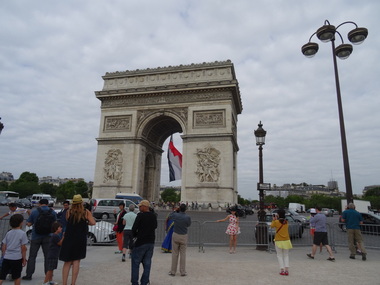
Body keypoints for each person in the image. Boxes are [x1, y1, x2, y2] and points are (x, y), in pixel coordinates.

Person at [59, 194, 96, 285]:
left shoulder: (69, 212)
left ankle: (64, 283)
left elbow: (69, 222)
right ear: (81, 202)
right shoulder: (86, 212)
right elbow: (93, 222)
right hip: (80, 238)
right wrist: (85, 223)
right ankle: (73, 283)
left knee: (67, 262)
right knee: (76, 261)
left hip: (69, 237)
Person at [23, 199, 57, 281]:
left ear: (39, 203)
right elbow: (55, 223)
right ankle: (48, 275)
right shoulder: (52, 212)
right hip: (48, 236)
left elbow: (29, 223)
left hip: (36, 236)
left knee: (32, 256)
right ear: (47, 204)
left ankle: (29, 274)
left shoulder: (34, 212)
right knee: (47, 257)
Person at [131, 200, 157, 285]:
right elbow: (155, 226)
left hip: (141, 242)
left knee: (135, 263)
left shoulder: (140, 216)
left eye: (140, 206)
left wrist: (136, 235)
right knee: (147, 264)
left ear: (145, 207)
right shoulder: (153, 216)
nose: (139, 207)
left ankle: (135, 282)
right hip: (150, 242)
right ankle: (144, 282)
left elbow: (134, 228)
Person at [0, 214, 28, 285]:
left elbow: (4, 245)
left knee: (2, 276)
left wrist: (4, 255)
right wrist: (24, 259)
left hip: (7, 257)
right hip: (17, 258)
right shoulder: (22, 233)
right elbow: (23, 248)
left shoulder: (8, 233)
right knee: (17, 277)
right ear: (21, 222)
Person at [168, 204, 191, 277]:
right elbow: (188, 225)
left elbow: (170, 216)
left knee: (175, 254)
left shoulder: (176, 215)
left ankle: (173, 271)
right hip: (183, 235)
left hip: (176, 235)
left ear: (180, 209)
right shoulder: (187, 217)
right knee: (183, 254)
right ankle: (182, 272)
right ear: (186, 209)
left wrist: (175, 210)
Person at [270, 209, 292, 276]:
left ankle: (282, 270)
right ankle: (286, 270)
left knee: (279, 255)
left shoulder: (276, 222)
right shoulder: (286, 222)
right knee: (286, 255)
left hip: (279, 240)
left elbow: (271, 226)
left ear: (278, 214)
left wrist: (274, 219)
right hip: (286, 240)